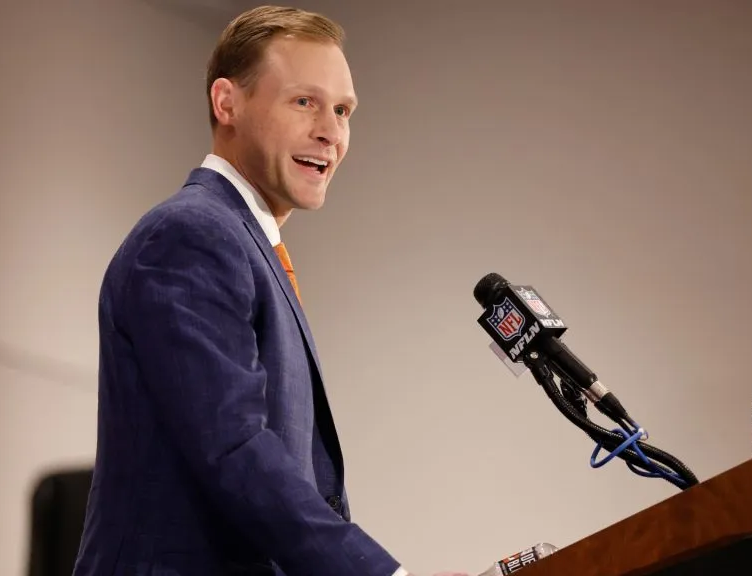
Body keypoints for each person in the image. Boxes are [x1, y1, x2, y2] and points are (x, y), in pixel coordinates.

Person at [72, 5, 468, 576]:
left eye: (343, 110)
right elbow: (234, 450)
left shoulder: (243, 242)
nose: (331, 132)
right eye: (304, 101)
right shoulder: (190, 236)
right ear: (226, 102)